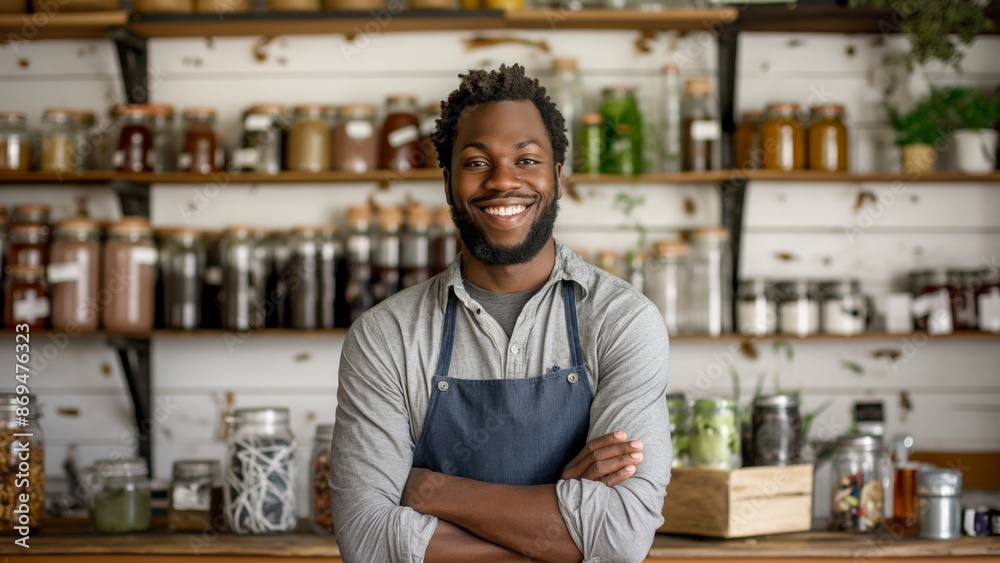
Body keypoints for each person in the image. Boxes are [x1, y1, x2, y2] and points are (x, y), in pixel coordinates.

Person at [330, 63, 671, 562]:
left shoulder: (622, 321)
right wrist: (564, 534)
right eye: (475, 163)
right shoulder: (386, 335)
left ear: (557, 176)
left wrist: (430, 490)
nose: (503, 181)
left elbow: (622, 536)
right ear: (448, 183)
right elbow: (366, 540)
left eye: (527, 159)